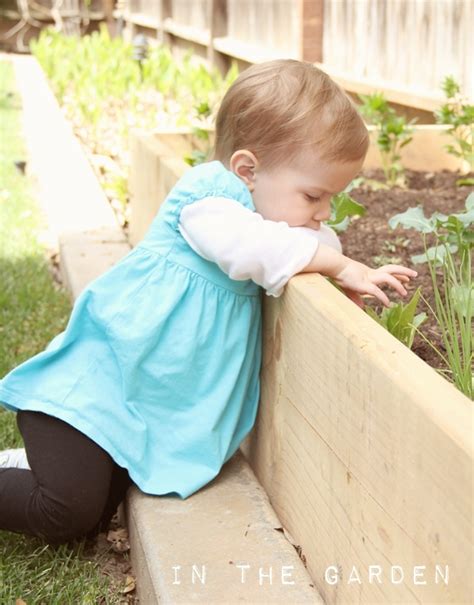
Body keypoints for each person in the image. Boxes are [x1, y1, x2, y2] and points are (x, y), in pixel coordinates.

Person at [0, 59, 417, 545]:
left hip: (128, 406)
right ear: (248, 170)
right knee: (66, 512)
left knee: (93, 514)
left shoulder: (267, 214)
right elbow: (255, 249)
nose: (324, 213)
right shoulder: (209, 204)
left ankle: (26, 466)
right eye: (313, 196)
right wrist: (339, 266)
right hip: (92, 394)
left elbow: (315, 243)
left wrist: (338, 269)